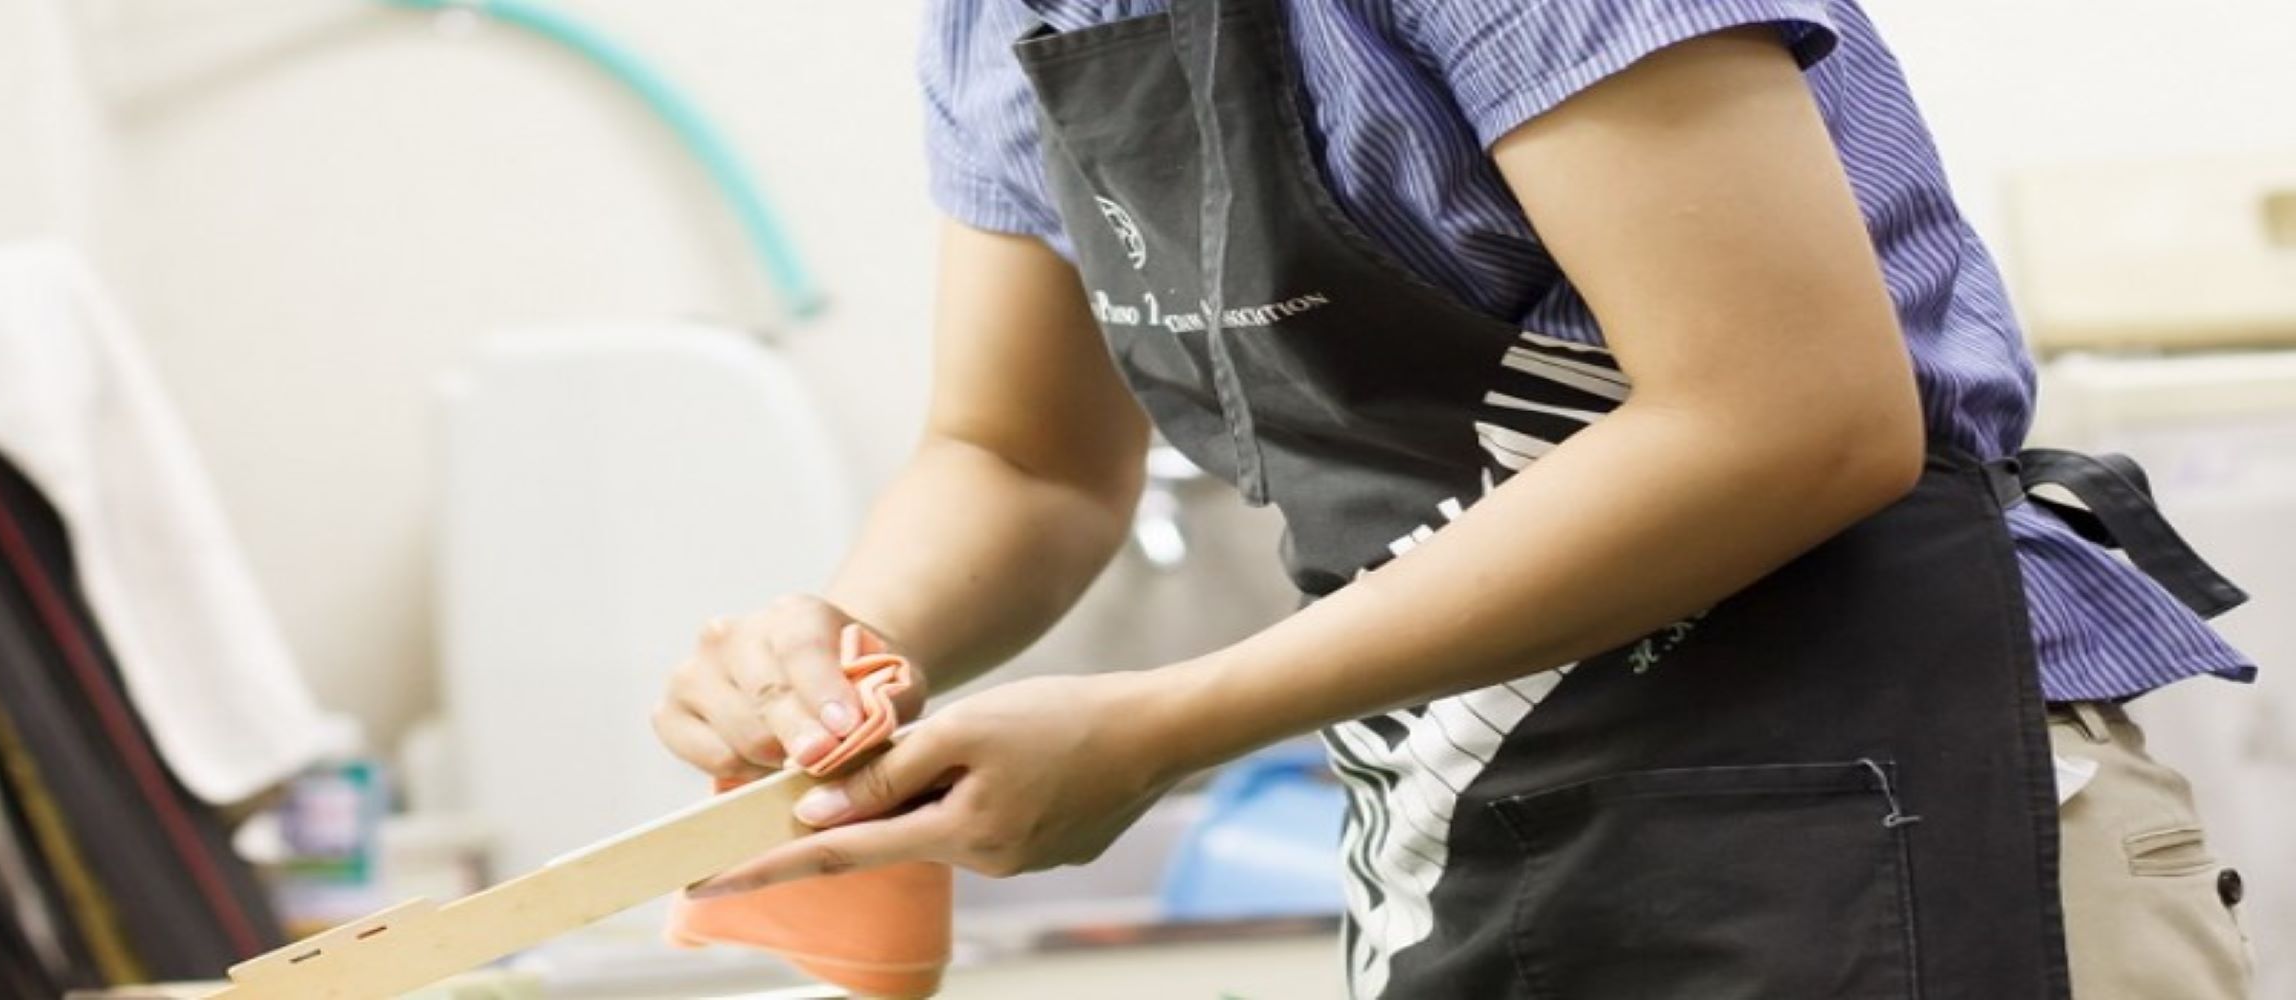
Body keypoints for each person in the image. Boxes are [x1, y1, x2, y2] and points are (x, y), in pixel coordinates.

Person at [653, 1, 2258, 996]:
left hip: (1879, 811)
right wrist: (843, 649)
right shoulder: (1004, 19)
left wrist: (1166, 726)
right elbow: (1025, 457)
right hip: (1465, 839)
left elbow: (1792, 413)